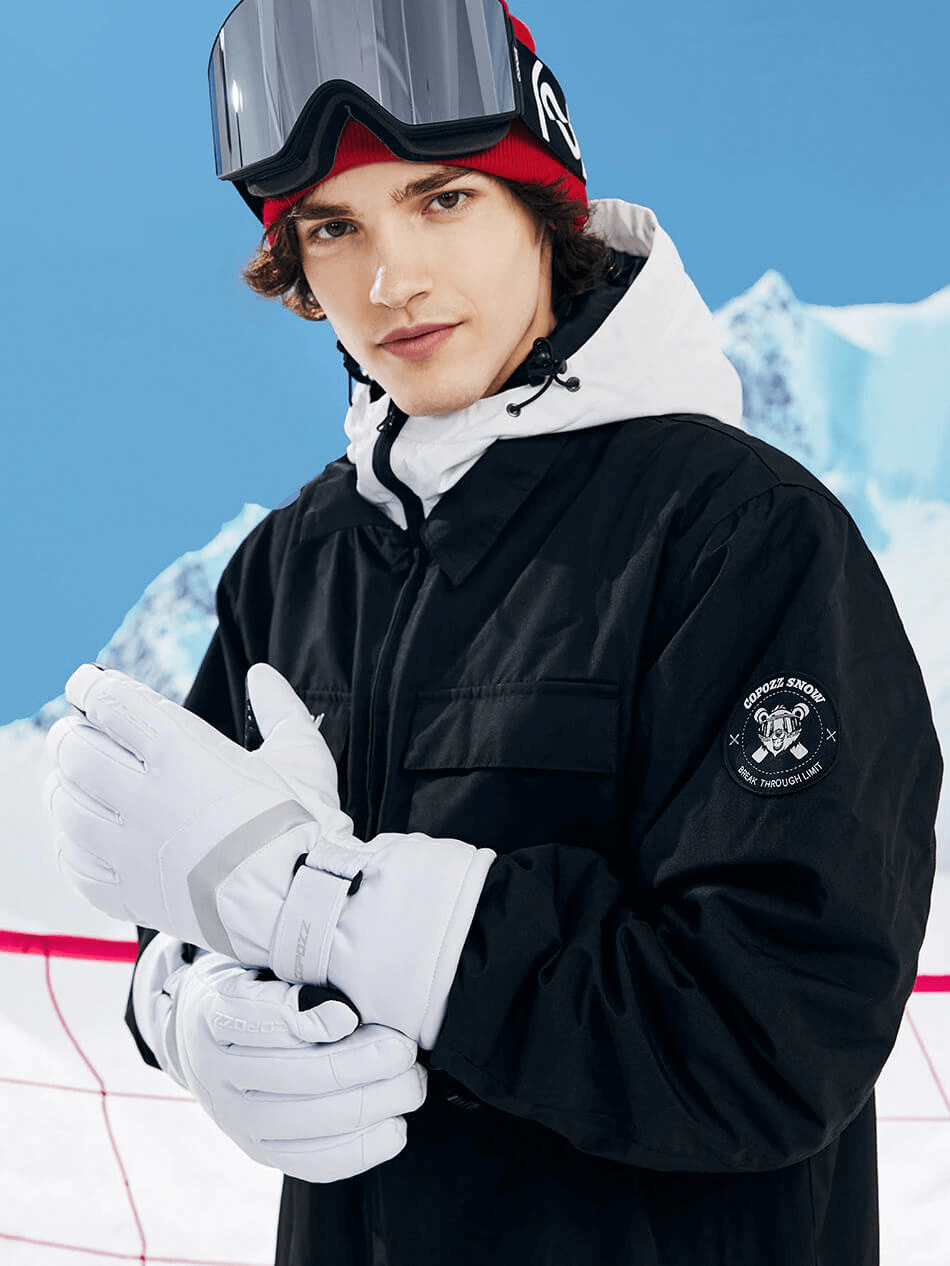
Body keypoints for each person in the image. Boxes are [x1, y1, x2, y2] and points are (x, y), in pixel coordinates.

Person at [45, 1, 942, 1263]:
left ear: (542, 209)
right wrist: (191, 1008)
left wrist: (330, 910)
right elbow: (191, 894)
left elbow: (771, 1038)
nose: (390, 280)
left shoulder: (741, 535)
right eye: (333, 227)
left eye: (443, 199)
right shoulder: (290, 569)